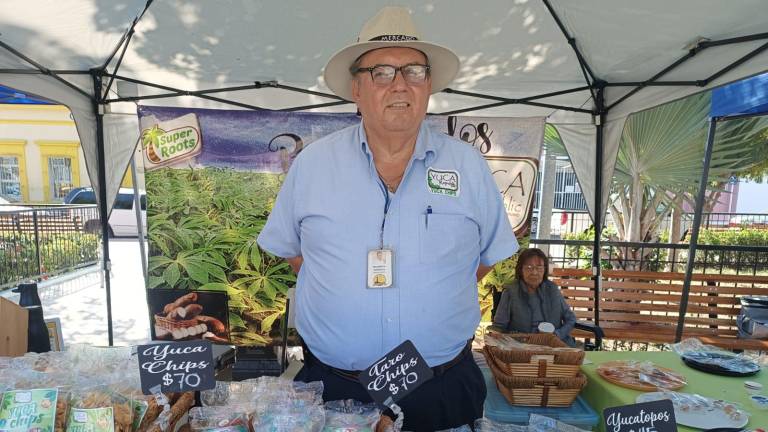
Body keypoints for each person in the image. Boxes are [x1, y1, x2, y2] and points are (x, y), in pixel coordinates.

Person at [257, 6, 518, 431]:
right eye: (381, 72)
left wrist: (434, 289)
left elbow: (483, 259)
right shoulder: (313, 166)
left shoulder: (468, 167)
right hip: (335, 390)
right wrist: (340, 290)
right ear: (356, 88)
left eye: (414, 71)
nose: (400, 84)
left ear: (429, 85)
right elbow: (294, 253)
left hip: (442, 388)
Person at [491, 248, 577, 346]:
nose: (534, 272)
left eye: (539, 267)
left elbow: (571, 319)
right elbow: (498, 327)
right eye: (529, 267)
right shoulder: (511, 292)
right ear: (520, 270)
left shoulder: (552, 289)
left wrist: (557, 335)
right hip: (522, 349)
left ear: (545, 270)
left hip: (555, 346)